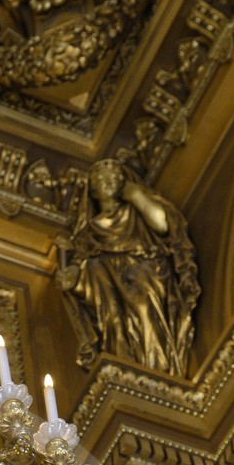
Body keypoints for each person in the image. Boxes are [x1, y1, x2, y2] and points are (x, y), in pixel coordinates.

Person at [56, 158, 198, 375]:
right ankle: (128, 370)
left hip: (143, 270)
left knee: (144, 308)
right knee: (114, 323)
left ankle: (157, 370)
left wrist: (138, 196)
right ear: (93, 190)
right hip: (108, 284)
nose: (109, 181)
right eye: (102, 179)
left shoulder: (133, 212)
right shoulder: (90, 231)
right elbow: (80, 261)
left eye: (114, 176)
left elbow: (162, 224)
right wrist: (72, 273)